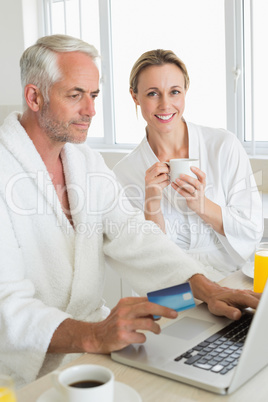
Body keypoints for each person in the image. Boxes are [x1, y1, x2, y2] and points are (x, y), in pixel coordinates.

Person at [0, 36, 260, 388]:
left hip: (94, 353)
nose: (91, 111)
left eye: (93, 96)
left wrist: (205, 287)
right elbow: (6, 308)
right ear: (35, 97)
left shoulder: (84, 161)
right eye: (75, 95)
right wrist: (92, 335)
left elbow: (131, 233)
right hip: (23, 372)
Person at [113, 49, 263, 280]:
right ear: (135, 97)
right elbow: (146, 257)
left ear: (185, 93)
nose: (165, 105)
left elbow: (251, 230)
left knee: (238, 316)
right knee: (178, 317)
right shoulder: (125, 172)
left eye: (174, 92)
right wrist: (151, 201)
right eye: (153, 93)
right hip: (171, 286)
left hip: (232, 279)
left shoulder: (223, 146)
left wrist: (202, 205)